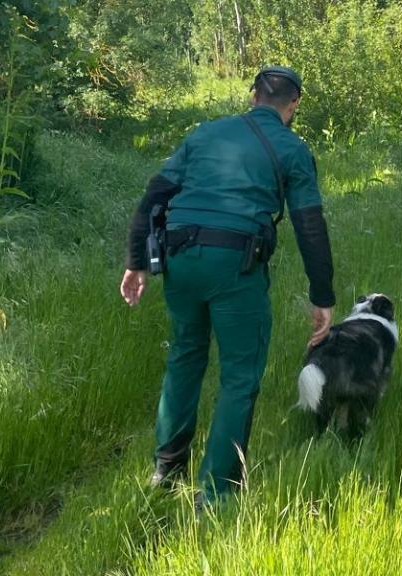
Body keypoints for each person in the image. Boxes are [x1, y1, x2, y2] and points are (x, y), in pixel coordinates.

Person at [119, 65, 336, 506]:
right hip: (236, 264)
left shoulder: (204, 134)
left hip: (179, 258)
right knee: (239, 374)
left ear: (253, 96)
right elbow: (309, 225)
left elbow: (153, 197)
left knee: (185, 355)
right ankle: (216, 493)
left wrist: (136, 263)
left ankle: (167, 467)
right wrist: (322, 297)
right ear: (293, 105)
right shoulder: (293, 149)